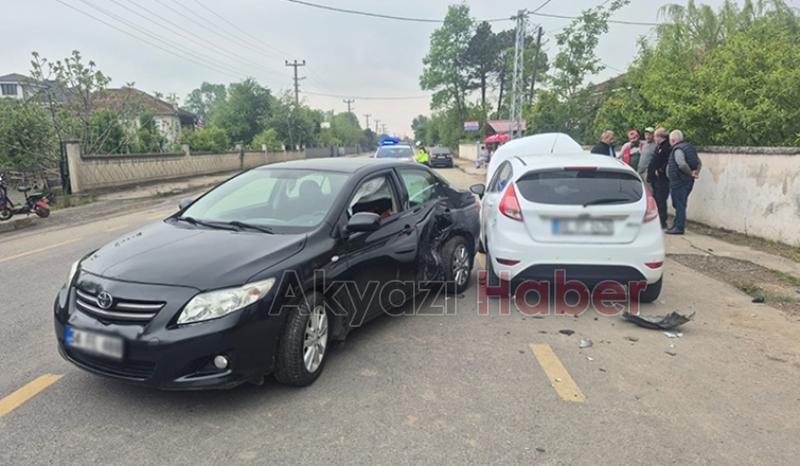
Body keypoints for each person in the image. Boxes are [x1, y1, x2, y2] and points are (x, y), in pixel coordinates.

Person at [666, 129, 702, 235]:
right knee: (681, 203)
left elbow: (681, 164)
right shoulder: (690, 148)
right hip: (687, 181)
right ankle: (676, 224)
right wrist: (696, 173)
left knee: (679, 205)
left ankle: (679, 227)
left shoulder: (678, 150)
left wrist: (690, 173)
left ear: (672, 140)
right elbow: (699, 163)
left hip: (679, 181)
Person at [647, 127, 671, 229]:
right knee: (656, 200)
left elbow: (668, 161)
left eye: (656, 136)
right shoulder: (659, 146)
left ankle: (662, 221)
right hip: (655, 179)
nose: (654, 138)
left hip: (662, 179)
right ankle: (656, 220)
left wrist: (660, 170)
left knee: (661, 200)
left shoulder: (667, 147)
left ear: (659, 136)